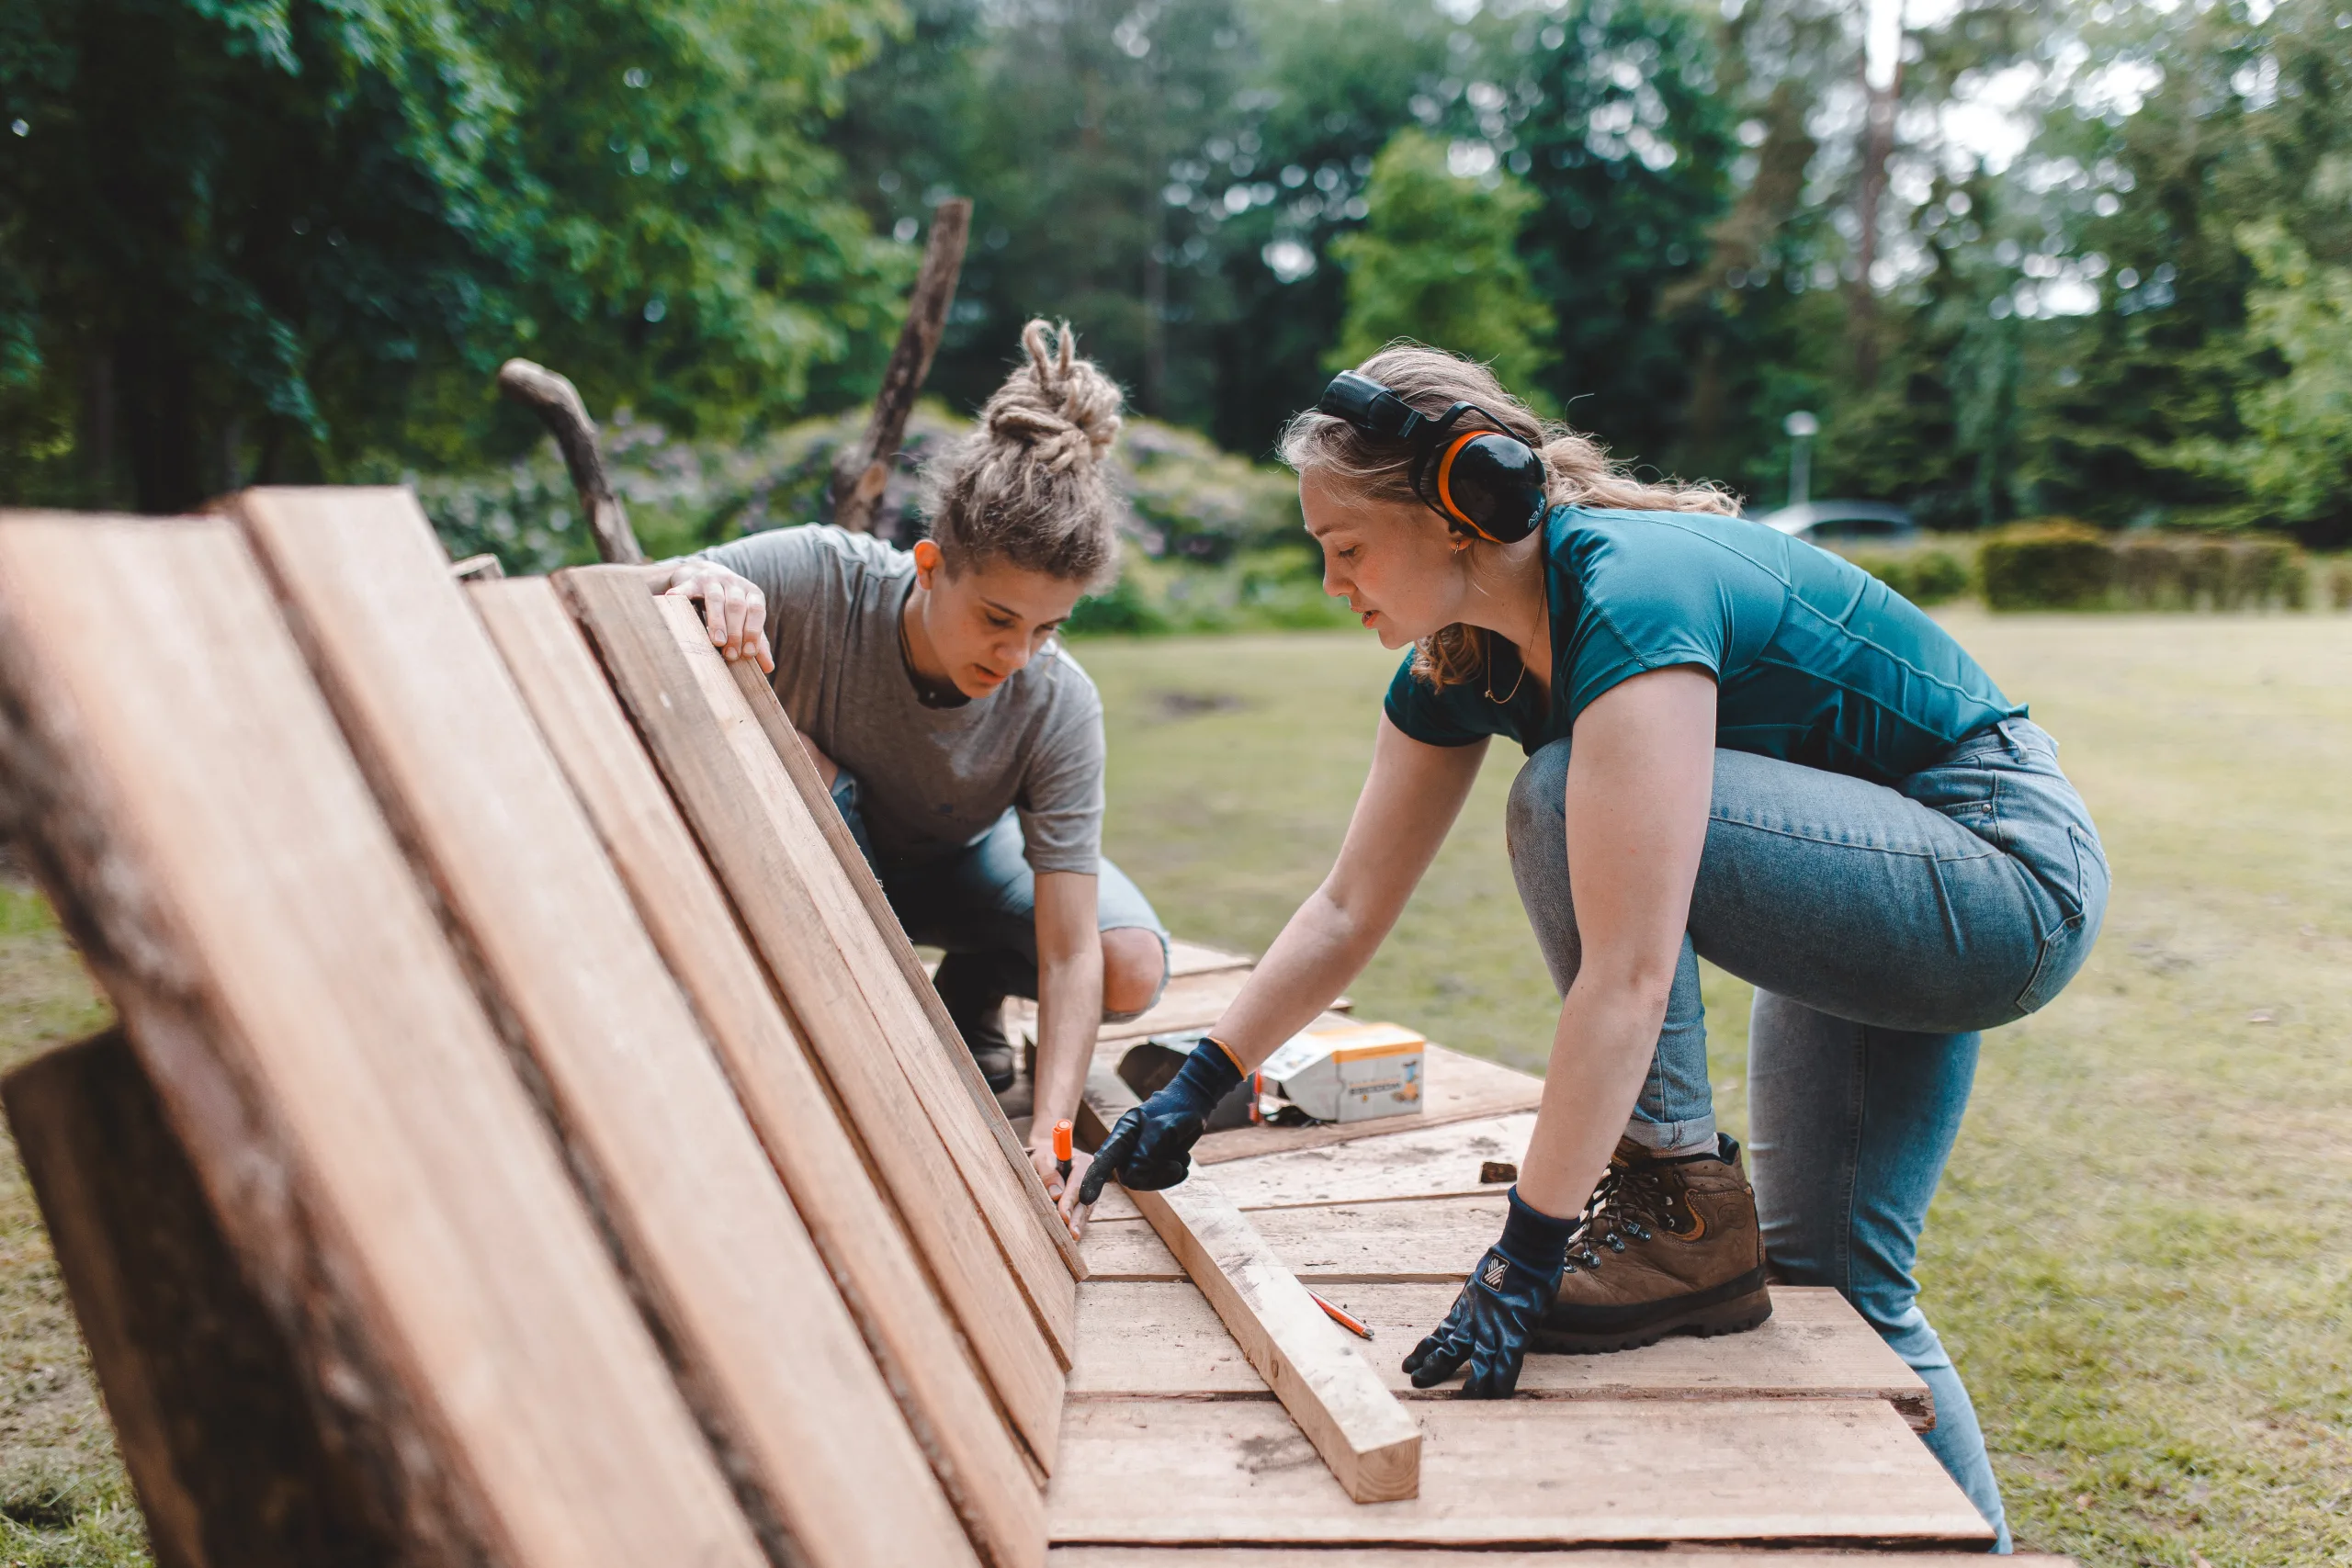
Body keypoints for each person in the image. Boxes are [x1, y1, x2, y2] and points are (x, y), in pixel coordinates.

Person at [1080, 344, 2106, 1549]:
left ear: (1462, 503)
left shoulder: (1626, 594)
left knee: (1562, 795)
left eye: (1346, 546)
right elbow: (1350, 903)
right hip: (1885, 878)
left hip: (1995, 866)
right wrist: (1202, 1082)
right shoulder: (1464, 655)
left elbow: (1628, 970)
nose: (1329, 579)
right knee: (1840, 1281)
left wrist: (1526, 1252)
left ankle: (1676, 1187)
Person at [659, 320, 1170, 1231]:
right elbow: (609, 593)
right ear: (930, 566)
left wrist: (1052, 1134)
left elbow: (1069, 948)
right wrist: (689, 577)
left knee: (1131, 965)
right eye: (997, 620)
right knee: (808, 766)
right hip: (822, 863)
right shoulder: (815, 575)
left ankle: (971, 987)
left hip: (961, 862)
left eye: (1047, 629)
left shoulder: (1059, 701)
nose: (1016, 656)